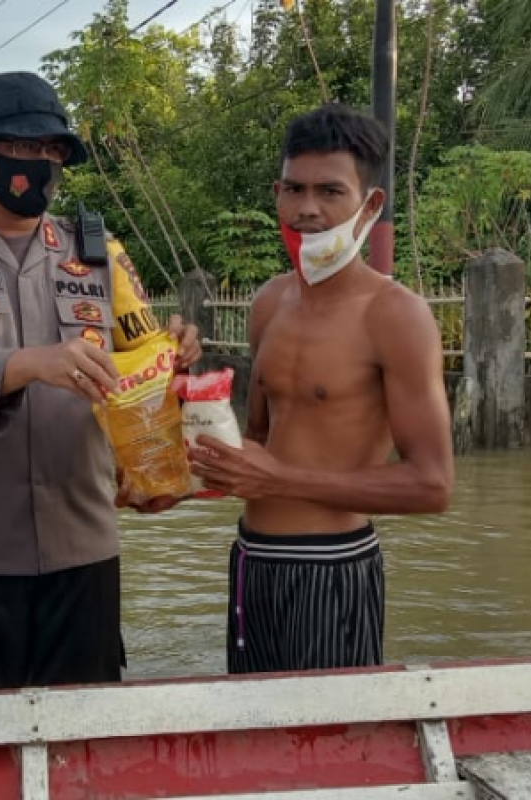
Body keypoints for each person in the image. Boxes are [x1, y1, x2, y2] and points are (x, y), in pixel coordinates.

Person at [0, 71, 201, 697]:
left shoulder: (98, 252)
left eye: (53, 151)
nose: (43, 165)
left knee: (84, 746)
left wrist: (174, 354)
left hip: (83, 550)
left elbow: (142, 370)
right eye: (25, 148)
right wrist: (27, 364)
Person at [189, 104, 454, 675]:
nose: (307, 209)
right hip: (251, 559)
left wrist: (280, 478)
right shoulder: (268, 303)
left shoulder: (396, 315)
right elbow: (256, 442)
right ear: (277, 193)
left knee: (327, 750)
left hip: (331, 564)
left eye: (330, 191)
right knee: (248, 739)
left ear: (370, 204)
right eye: (294, 189)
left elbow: (433, 484)